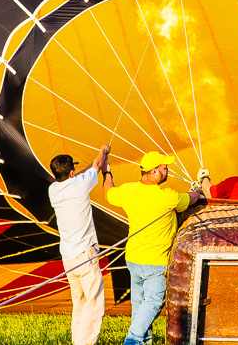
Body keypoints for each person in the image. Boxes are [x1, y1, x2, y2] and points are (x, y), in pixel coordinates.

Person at [105, 151, 202, 345]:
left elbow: (108, 192)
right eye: (165, 168)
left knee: (140, 306)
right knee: (153, 304)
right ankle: (131, 341)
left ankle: (142, 341)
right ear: (155, 171)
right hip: (156, 262)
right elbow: (191, 198)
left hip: (133, 258)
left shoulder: (127, 191)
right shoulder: (167, 197)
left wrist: (107, 173)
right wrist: (200, 191)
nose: (167, 171)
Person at [48, 145, 111, 345]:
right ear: (72, 172)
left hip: (68, 258)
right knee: (94, 304)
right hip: (85, 256)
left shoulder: (53, 190)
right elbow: (97, 164)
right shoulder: (81, 184)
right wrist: (104, 150)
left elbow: (86, 172)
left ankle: (78, 341)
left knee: (80, 303)